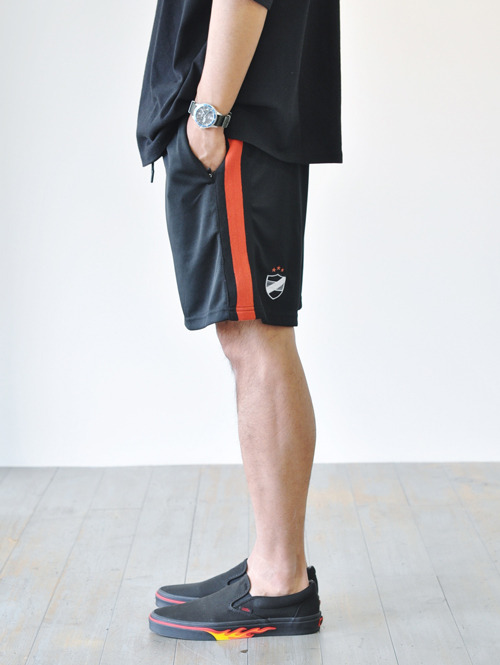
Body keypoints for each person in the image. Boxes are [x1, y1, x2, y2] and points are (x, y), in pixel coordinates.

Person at [136, 0, 342, 642]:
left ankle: (279, 581)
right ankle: (270, 562)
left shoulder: (222, 120)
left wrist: (209, 113)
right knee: (249, 335)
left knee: (256, 337)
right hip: (242, 120)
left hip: (236, 123)